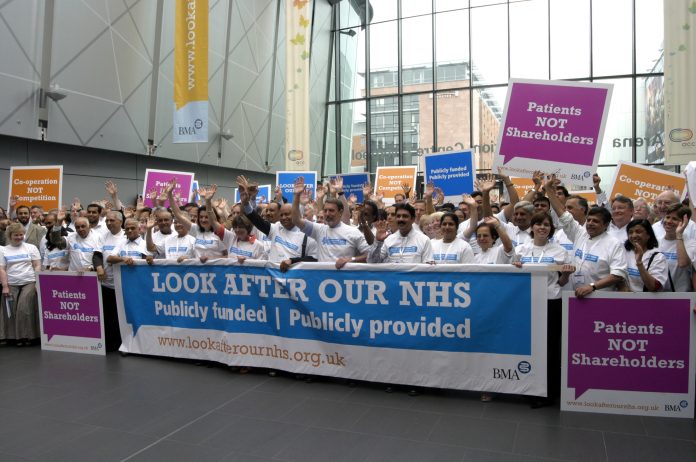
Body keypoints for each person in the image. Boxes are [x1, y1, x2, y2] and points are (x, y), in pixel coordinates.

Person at [512, 212, 574, 407]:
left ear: (551, 229)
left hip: (551, 302)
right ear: (532, 227)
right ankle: (529, 388)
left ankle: (548, 392)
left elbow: (562, 281)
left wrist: (566, 275)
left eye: (546, 224)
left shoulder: (559, 251)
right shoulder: (521, 249)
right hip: (527, 304)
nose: (542, 227)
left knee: (549, 348)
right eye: (538, 224)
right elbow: (514, 277)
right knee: (530, 347)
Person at [545, 176, 626, 297]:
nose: (590, 224)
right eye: (589, 220)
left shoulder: (614, 243)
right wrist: (548, 189)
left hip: (600, 297)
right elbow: (563, 214)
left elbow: (618, 275)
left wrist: (592, 286)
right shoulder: (580, 233)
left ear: (606, 225)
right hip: (575, 296)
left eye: (596, 221)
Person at [238, 176, 318, 270]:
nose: (284, 218)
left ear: (296, 214)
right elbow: (256, 220)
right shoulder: (276, 228)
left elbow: (314, 259)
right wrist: (246, 203)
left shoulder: (308, 234)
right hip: (272, 278)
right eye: (281, 215)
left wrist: (292, 261)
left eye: (287, 214)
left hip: (295, 280)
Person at [291, 176, 370, 268]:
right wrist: (296, 196)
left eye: (331, 211)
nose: (327, 214)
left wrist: (351, 260)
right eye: (325, 210)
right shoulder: (318, 230)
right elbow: (296, 220)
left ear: (340, 212)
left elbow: (370, 255)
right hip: (322, 280)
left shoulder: (353, 232)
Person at [0, 223, 42, 346]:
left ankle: (26, 336)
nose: (19, 237)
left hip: (29, 281)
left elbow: (37, 265)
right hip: (11, 282)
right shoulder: (3, 250)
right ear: (10, 235)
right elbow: (2, 269)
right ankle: (11, 337)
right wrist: (5, 286)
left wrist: (37, 282)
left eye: (21, 234)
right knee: (9, 309)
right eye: (16, 235)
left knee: (24, 307)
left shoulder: (31, 248)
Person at [166, 180, 227, 262]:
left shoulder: (220, 233)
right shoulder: (196, 230)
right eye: (201, 217)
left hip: (215, 272)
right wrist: (169, 194)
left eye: (206, 217)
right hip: (198, 272)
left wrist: (210, 260)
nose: (203, 219)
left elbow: (227, 255)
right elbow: (178, 215)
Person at [623, 219, 668, 292]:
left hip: (647, 301)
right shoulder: (624, 251)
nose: (634, 235)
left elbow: (653, 286)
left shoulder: (657, 256)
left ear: (648, 234)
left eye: (638, 232)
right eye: (630, 232)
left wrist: (639, 263)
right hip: (625, 298)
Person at [659, 204, 693, 291]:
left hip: (680, 298)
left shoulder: (690, 244)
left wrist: (679, 234)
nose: (669, 221)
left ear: (685, 222)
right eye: (667, 217)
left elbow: (682, 263)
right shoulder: (656, 242)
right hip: (657, 296)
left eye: (674, 219)